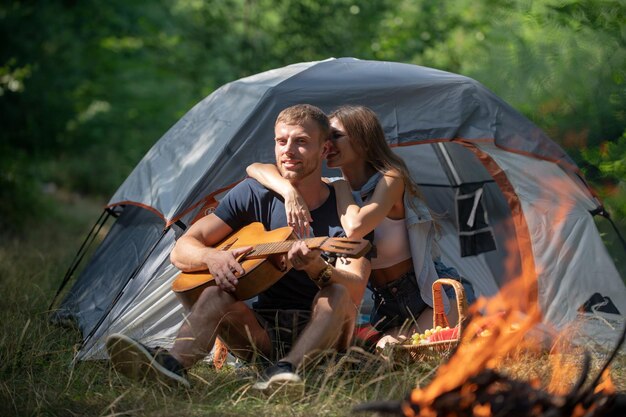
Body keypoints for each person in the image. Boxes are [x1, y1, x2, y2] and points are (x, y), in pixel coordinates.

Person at [106, 104, 371, 390]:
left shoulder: (348, 209)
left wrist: (317, 267)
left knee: (336, 293)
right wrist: (212, 257)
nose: (288, 150)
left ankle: (285, 372)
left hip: (325, 332)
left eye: (302, 142)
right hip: (260, 331)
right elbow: (181, 249)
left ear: (324, 149)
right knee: (213, 295)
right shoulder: (253, 194)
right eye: (281, 141)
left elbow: (354, 289)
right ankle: (171, 368)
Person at [247, 105, 475, 346]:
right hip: (386, 304)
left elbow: (356, 227)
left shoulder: (390, 178)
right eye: (326, 137)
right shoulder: (332, 186)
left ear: (363, 140)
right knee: (378, 358)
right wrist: (288, 190)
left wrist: (342, 188)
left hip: (432, 293)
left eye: (336, 136)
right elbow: (254, 169)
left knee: (400, 353)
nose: (328, 143)